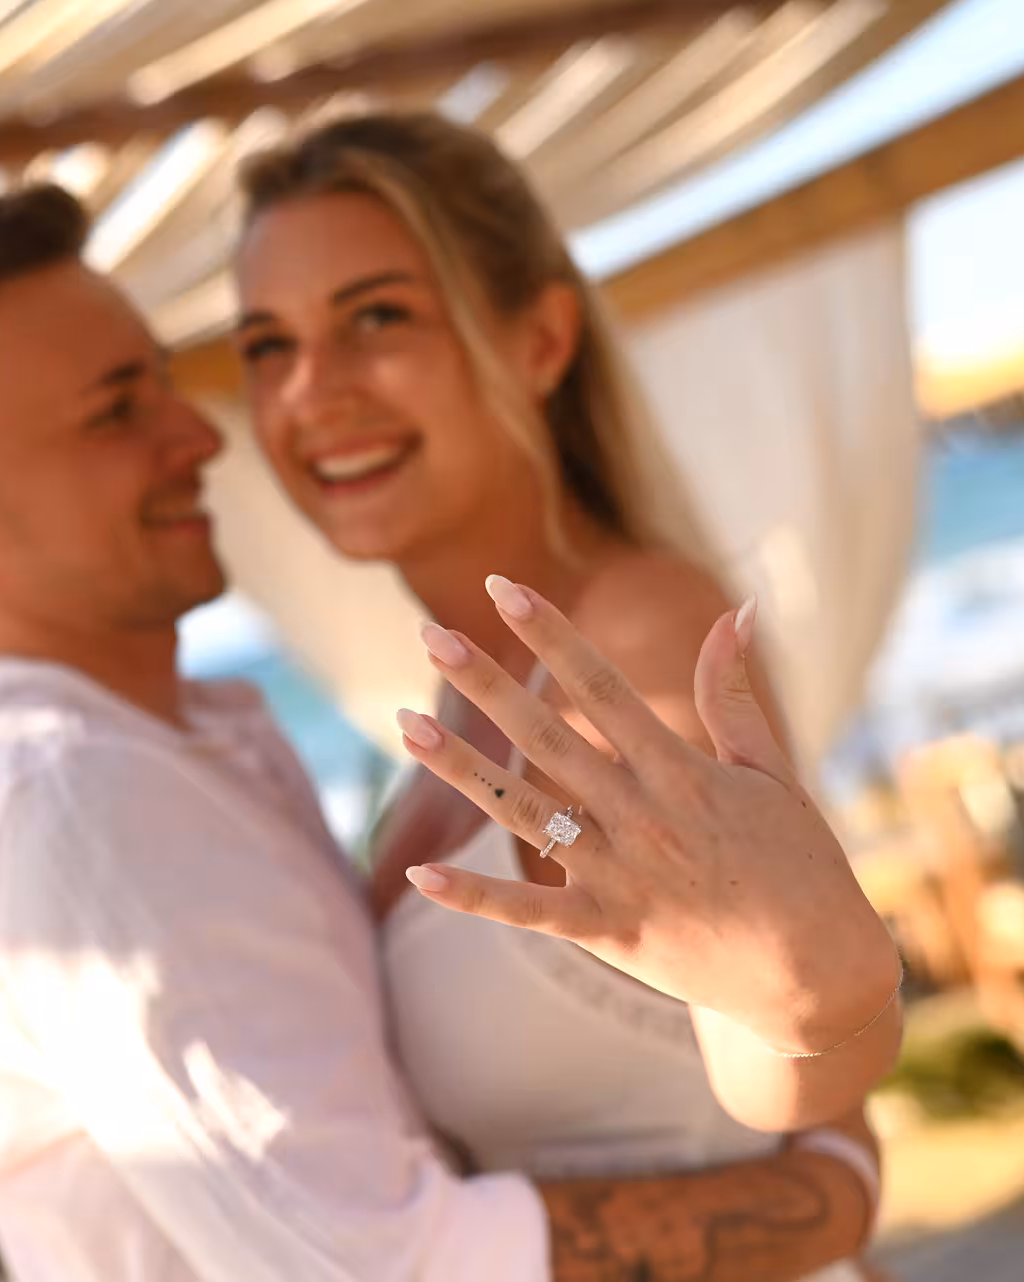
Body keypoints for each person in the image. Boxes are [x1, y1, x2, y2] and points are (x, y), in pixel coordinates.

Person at [0, 184, 897, 1280]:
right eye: (117, 408)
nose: (200, 435)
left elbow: (759, 998)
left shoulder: (204, 742)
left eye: (375, 319)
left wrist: (821, 1042)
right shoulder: (81, 795)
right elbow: (373, 1265)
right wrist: (826, 1195)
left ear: (542, 340)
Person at [232, 111, 900, 1276]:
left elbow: (788, 1075)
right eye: (266, 346)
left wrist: (813, 1002)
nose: (312, 392)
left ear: (541, 337)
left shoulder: (635, 633)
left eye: (376, 317)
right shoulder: (449, 716)